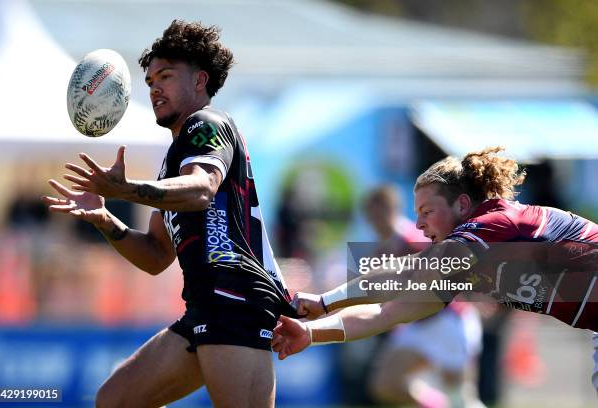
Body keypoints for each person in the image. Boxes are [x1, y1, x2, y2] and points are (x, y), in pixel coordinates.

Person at [43, 20, 295, 408]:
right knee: (115, 400)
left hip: (236, 299)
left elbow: (201, 189)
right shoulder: (173, 161)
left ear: (200, 80)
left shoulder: (207, 124)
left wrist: (127, 189)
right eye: (149, 81)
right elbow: (157, 255)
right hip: (205, 304)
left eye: (165, 75)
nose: (154, 87)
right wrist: (106, 219)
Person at [272, 146, 598, 392]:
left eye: (427, 211)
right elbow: (386, 315)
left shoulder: (492, 222)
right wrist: (310, 333)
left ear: (463, 206)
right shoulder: (465, 262)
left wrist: (326, 301)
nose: (419, 224)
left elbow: (407, 271)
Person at [362, 186, 483, 408]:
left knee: (461, 398)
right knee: (385, 384)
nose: (375, 221)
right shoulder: (379, 251)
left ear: (392, 210)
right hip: (416, 325)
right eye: (371, 216)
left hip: (447, 321)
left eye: (379, 213)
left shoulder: (415, 239)